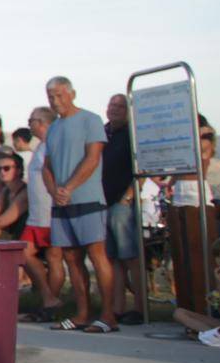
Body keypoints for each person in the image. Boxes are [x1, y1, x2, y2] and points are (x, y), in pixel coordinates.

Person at [42, 76, 117, 334]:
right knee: (72, 258)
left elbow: (93, 157)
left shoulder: (90, 120)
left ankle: (108, 315)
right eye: (50, 96)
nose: (55, 101)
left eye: (59, 95)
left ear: (72, 94)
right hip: (62, 203)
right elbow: (47, 167)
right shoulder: (53, 128)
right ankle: (82, 313)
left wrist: (70, 187)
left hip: (87, 198)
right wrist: (55, 192)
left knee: (97, 255)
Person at [102, 94, 144, 325]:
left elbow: (141, 170)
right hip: (103, 202)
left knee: (130, 257)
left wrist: (128, 197)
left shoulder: (132, 135)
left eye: (120, 106)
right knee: (113, 259)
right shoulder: (103, 132)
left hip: (123, 203)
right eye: (112, 105)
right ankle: (118, 307)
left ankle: (140, 307)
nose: (114, 109)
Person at [18, 106, 63, 321]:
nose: (29, 124)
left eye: (31, 120)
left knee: (54, 257)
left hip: (50, 212)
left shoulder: (53, 145)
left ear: (43, 122)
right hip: (37, 213)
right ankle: (48, 297)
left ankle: (51, 303)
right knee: (25, 252)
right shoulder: (40, 147)